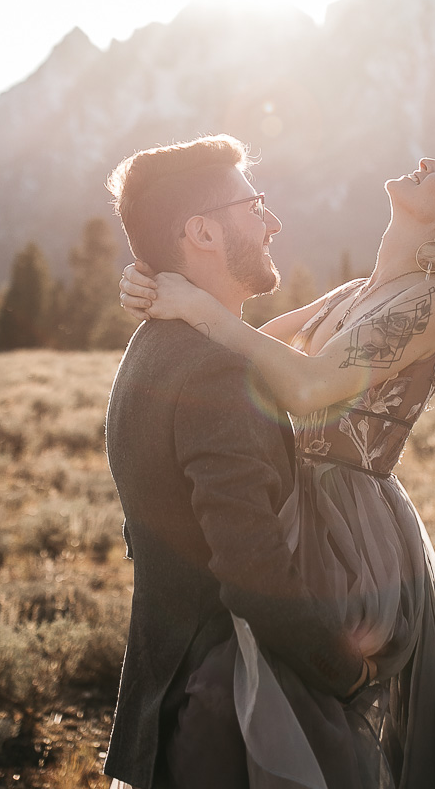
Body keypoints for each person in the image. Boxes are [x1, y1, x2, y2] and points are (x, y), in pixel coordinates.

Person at [120, 149, 435, 789]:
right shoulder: (359, 293)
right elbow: (251, 344)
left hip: (349, 525)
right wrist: (158, 288)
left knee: (297, 683)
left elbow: (308, 386)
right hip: (305, 498)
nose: (432, 160)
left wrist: (193, 304)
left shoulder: (430, 301)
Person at [101, 135, 372, 789]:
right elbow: (251, 568)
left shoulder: (158, 343)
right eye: (255, 205)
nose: (273, 221)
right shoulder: (214, 373)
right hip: (228, 720)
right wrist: (345, 669)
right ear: (203, 233)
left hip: (174, 693)